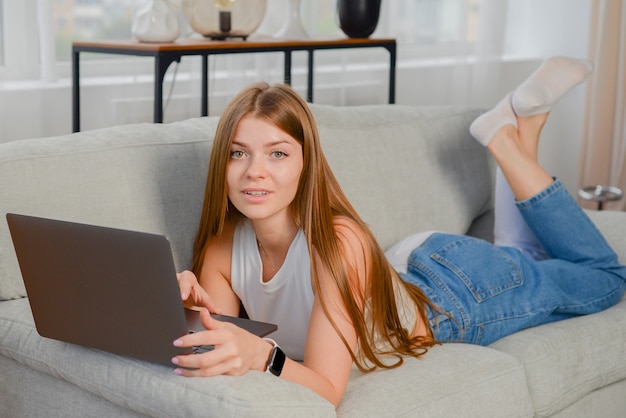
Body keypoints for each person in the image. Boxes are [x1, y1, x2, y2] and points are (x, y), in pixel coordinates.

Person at [173, 56, 626, 407]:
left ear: (306, 164)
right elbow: (214, 347)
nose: (255, 172)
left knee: (604, 276)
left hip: (453, 292)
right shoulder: (220, 248)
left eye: (277, 154)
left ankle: (505, 141)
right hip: (403, 268)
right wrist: (184, 312)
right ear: (223, 165)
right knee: (528, 259)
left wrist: (261, 356)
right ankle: (523, 129)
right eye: (238, 153)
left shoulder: (338, 241)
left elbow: (327, 388)